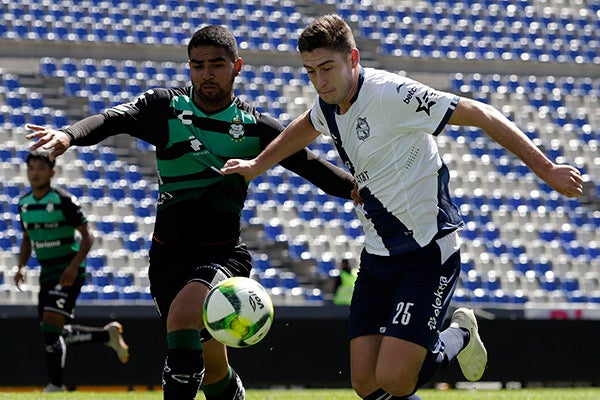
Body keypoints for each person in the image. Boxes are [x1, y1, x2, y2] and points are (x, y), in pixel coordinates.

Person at [221, 14, 585, 400]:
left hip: (427, 251)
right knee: (366, 384)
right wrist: (256, 165)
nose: (320, 81)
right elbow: (305, 125)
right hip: (378, 254)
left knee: (396, 379)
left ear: (353, 59)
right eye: (311, 72)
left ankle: (459, 333)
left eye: (327, 68)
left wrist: (546, 168)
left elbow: (480, 113)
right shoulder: (328, 102)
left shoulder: (391, 95)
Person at [24, 25, 356, 400]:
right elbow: (111, 119)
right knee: (213, 369)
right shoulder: (165, 108)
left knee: (183, 318)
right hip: (167, 257)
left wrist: (360, 191)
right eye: (197, 65)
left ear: (237, 67)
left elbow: (313, 167)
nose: (206, 73)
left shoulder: (255, 127)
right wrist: (68, 135)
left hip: (222, 255)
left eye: (217, 64)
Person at [15, 152, 130, 393]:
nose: (35, 173)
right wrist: (21, 266)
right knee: (55, 334)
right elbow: (27, 238)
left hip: (68, 271)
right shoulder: (24, 203)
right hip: (47, 272)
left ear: (52, 173)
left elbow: (88, 236)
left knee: (49, 329)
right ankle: (107, 336)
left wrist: (73, 266)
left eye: (40, 168)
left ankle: (55, 386)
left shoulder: (63, 200)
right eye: (31, 168)